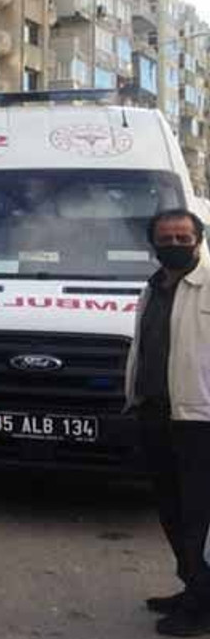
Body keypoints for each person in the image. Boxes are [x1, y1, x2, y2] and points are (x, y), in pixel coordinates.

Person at [126, 208, 210, 637]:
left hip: (199, 419)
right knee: (171, 510)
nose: (175, 245)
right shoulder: (154, 285)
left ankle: (200, 607)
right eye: (166, 239)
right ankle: (193, 586)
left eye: (183, 238)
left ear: (198, 239)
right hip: (156, 413)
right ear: (153, 243)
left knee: (199, 517)